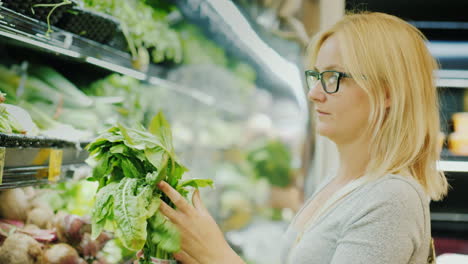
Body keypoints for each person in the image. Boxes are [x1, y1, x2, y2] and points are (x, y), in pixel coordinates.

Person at [156, 11, 449, 264]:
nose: (314, 93)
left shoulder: (391, 198)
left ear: (387, 93)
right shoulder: (338, 185)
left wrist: (216, 253)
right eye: (316, 76)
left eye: (334, 78)